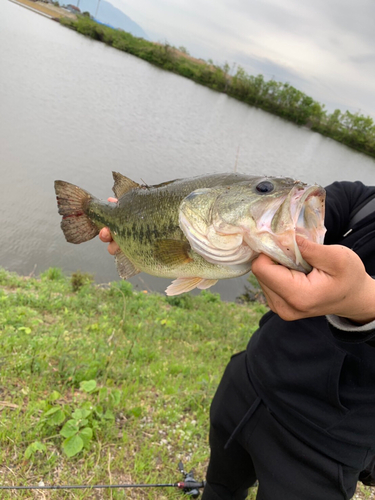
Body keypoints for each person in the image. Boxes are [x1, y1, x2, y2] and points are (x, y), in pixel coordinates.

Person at [99, 180, 375, 500]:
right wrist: (151, 218)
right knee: (219, 489)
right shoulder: (364, 201)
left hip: (328, 443)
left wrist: (366, 304)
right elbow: (292, 214)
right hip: (248, 380)